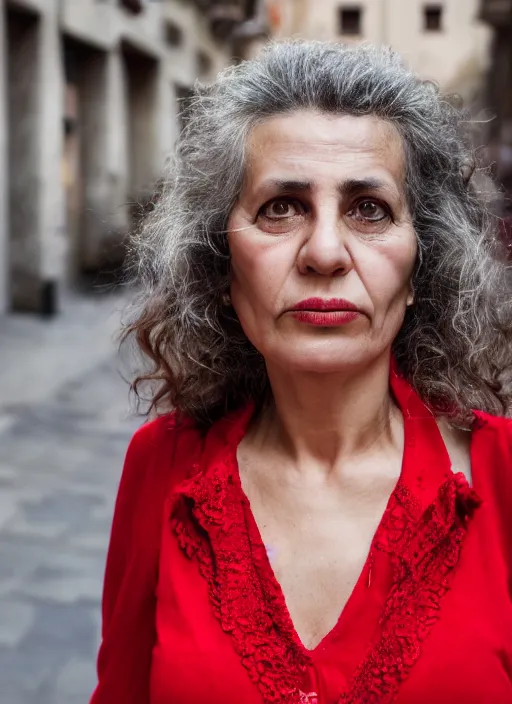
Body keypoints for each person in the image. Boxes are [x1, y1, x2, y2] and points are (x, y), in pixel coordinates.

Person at [90, 41, 512, 704]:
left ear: (418, 272)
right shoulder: (160, 468)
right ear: (224, 268)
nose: (322, 251)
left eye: (368, 209)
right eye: (280, 207)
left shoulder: (502, 473)